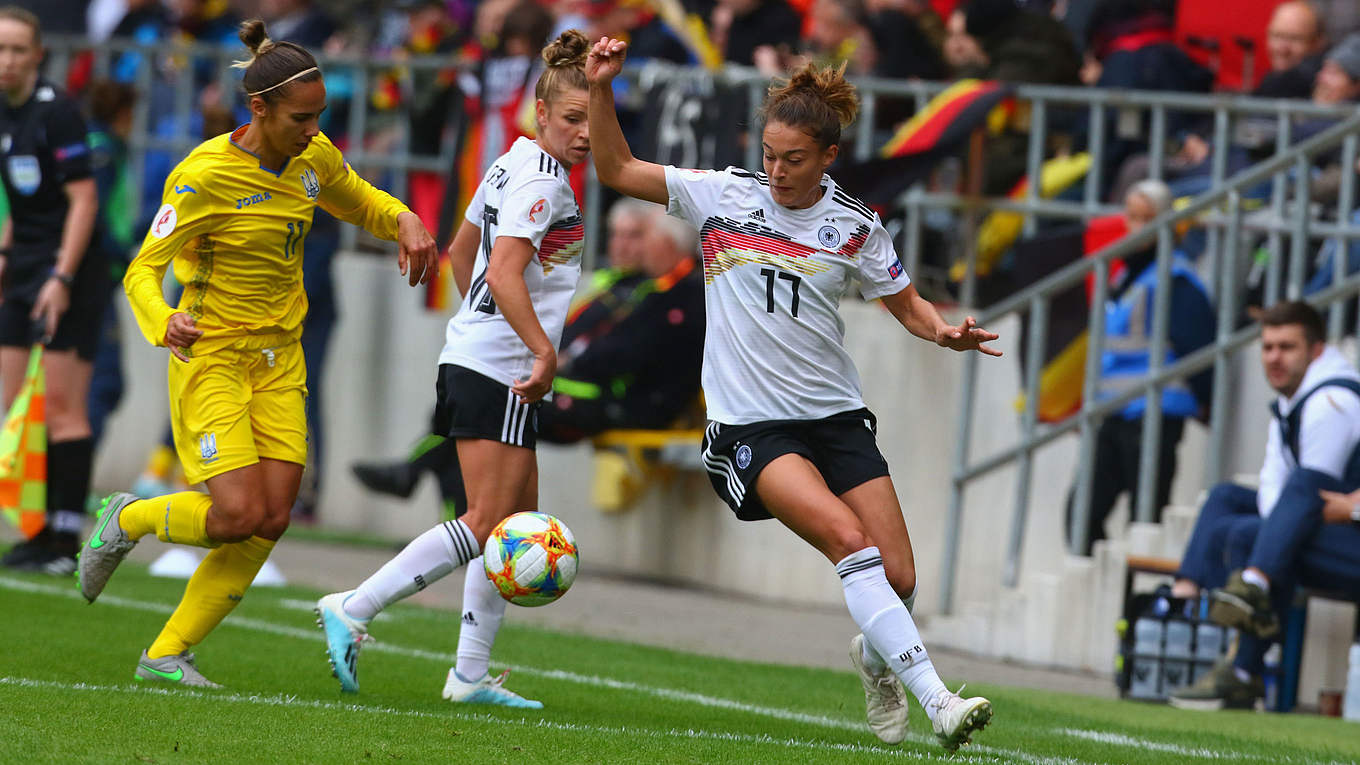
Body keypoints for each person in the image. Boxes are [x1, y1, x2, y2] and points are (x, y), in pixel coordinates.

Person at [587, 38, 999, 750]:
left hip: (836, 416)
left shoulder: (856, 226)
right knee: (848, 541)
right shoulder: (724, 195)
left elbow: (909, 306)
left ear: (828, 157)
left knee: (899, 577)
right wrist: (600, 89)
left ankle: (876, 659)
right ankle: (938, 700)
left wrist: (943, 332)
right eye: (769, 155)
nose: (777, 171)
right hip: (750, 425)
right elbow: (617, 168)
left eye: (795, 159)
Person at [75, 19, 438, 689]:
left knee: (271, 517)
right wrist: (164, 320)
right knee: (236, 514)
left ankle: (166, 655)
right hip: (213, 354)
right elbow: (142, 270)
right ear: (259, 108)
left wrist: (404, 219)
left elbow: (358, 199)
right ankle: (128, 517)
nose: (314, 130)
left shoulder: (312, 157)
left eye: (319, 117)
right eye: (302, 118)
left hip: (280, 360)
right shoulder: (203, 176)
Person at [315, 30, 591, 709]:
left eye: (594, 119)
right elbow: (501, 272)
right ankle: (355, 604)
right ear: (541, 113)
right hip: (502, 367)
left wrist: (481, 322)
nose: (585, 133)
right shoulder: (543, 181)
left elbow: (462, 254)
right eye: (572, 118)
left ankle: (468, 674)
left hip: (481, 356)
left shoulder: (510, 160)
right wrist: (540, 349)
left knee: (512, 521)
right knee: (487, 519)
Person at [1169, 302, 1360, 710]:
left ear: (1316, 351)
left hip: (1350, 538)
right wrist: (1287, 521)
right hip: (1332, 527)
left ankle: (1244, 657)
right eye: (1268, 347)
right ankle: (1186, 601)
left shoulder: (1333, 401)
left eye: (1286, 347)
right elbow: (1280, 489)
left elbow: (1311, 494)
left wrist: (1350, 509)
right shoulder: (1291, 400)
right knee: (1225, 497)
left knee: (1253, 529)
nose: (1274, 358)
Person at [0, 7, 108, 575]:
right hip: (23, 266)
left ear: (38, 56)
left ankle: (66, 538)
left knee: (63, 407)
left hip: (71, 272)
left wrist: (61, 278)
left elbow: (83, 200)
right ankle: (37, 531)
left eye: (18, 50)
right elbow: (24, 204)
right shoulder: (5, 112)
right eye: (0, 50)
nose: (7, 60)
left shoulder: (57, 112)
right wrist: (4, 256)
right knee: (18, 404)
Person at [1065, 179, 1215, 556]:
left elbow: (1200, 349)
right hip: (1114, 414)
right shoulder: (1123, 275)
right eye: (1131, 216)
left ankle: (1129, 591)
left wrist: (1207, 402)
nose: (1136, 226)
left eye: (1146, 218)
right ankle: (1106, 582)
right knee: (1081, 515)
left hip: (1154, 416)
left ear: (1166, 223)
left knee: (1144, 523)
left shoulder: (1176, 280)